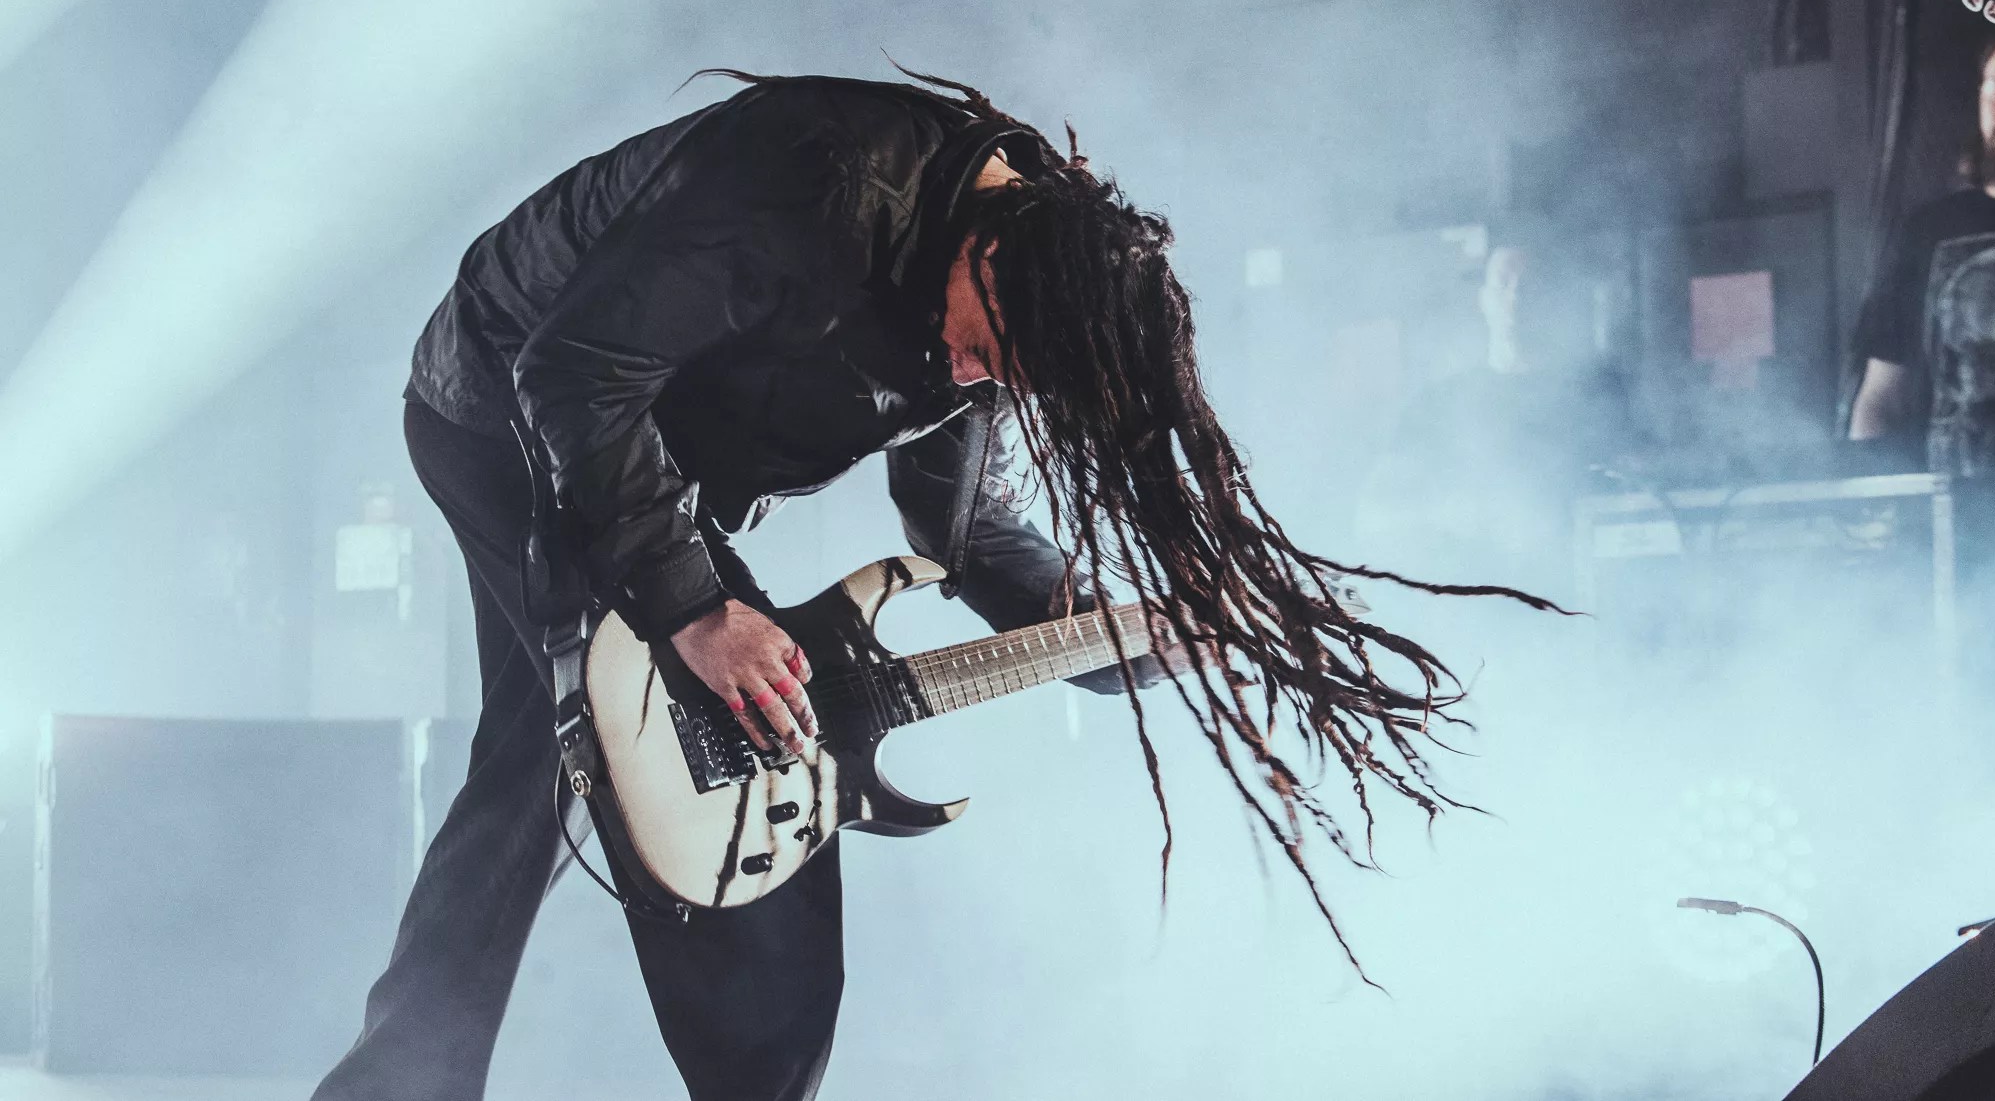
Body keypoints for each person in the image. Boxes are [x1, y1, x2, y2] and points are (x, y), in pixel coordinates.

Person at [314, 69, 1536, 1101]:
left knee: (564, 765)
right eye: (980, 346)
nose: (966, 373)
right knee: (687, 753)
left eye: (995, 376)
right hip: (505, 406)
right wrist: (692, 609)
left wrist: (1116, 638)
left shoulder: (1005, 308)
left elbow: (965, 528)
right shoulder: (821, 180)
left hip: (642, 463)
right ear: (987, 255)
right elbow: (574, 373)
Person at [1849, 36, 1995, 655]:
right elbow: (1883, 392)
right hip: (1950, 536)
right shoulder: (1926, 232)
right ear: (1980, 95)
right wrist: (1875, 509)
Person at [1358, 235, 1633, 600]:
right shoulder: (1436, 404)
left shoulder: (1599, 396)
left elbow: (1643, 489)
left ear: (1552, 299)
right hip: (1472, 604)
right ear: (1483, 299)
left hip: (1581, 599)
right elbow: (1378, 513)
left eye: (1529, 287)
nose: (1515, 299)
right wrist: (1458, 513)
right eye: (1503, 285)